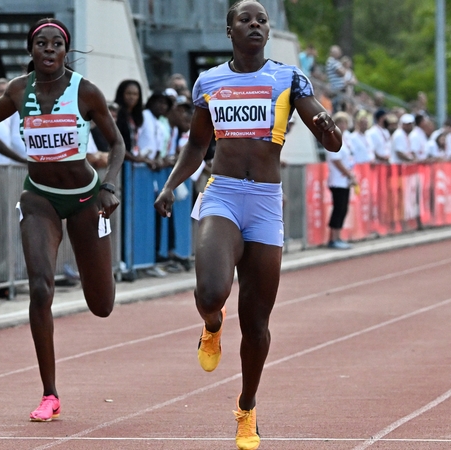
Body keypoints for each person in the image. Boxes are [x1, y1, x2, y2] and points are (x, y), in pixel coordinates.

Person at [153, 2, 341, 448]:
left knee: (256, 324)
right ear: (229, 30)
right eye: (245, 19)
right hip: (223, 193)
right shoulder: (210, 82)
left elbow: (331, 140)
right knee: (210, 293)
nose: (255, 25)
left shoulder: (288, 78)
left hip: (264, 203)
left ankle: (247, 409)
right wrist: (169, 186)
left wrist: (327, 126)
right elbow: (198, 142)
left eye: (262, 20)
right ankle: (211, 326)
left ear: (268, 31)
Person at [0, 17, 124, 421]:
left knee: (101, 305)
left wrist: (110, 185)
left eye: (56, 44)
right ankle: (49, 393)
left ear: (66, 51)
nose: (49, 50)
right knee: (39, 288)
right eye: (41, 44)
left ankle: (100, 275)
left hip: (85, 198)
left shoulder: (85, 91)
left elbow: (117, 143)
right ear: (31, 51)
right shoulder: (18, 89)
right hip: (39, 198)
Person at [326, 112, 357, 249]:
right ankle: (333, 238)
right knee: (338, 209)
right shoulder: (333, 138)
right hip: (337, 180)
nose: (343, 125)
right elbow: (336, 160)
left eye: (344, 122)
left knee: (343, 209)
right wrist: (348, 174)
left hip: (344, 181)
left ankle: (338, 236)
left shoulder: (345, 140)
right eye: (340, 122)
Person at [113, 79, 145, 162]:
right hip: (119, 161)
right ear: (121, 94)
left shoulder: (135, 116)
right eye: (128, 93)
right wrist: (133, 158)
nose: (132, 97)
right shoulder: (116, 114)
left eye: (135, 94)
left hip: (130, 161)